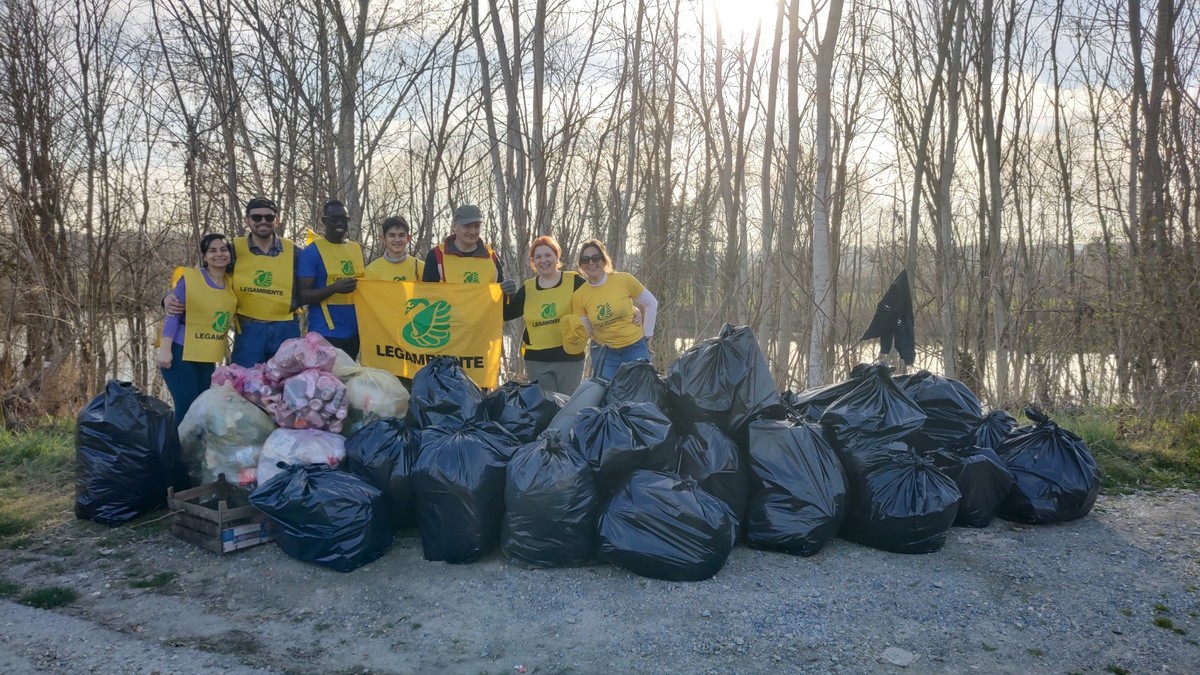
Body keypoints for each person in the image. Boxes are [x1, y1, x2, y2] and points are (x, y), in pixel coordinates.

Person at [157, 233, 237, 425]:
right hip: (180, 350)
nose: (219, 254)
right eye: (213, 250)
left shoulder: (233, 282)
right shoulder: (191, 279)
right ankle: (176, 453)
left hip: (207, 355)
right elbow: (173, 313)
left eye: (223, 249)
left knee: (202, 407)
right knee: (186, 406)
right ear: (204, 256)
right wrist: (165, 349)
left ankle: (194, 453)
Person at [502, 235, 586, 394]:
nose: (543, 260)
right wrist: (505, 295)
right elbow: (507, 314)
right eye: (538, 257)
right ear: (533, 261)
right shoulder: (528, 288)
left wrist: (634, 310)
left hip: (570, 358)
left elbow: (596, 301)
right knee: (544, 411)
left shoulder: (573, 281)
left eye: (548, 255)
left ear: (557, 256)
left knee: (568, 409)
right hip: (537, 360)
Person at [570, 238, 658, 381]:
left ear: (604, 260)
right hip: (605, 354)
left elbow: (651, 303)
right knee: (607, 396)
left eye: (595, 258)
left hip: (634, 347)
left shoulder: (623, 280)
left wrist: (647, 336)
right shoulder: (579, 296)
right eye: (585, 260)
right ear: (581, 264)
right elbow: (588, 331)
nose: (591, 263)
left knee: (641, 393)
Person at [298, 200, 365, 357]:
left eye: (344, 219)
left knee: (349, 379)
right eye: (334, 219)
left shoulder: (355, 248)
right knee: (326, 380)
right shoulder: (312, 252)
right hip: (325, 332)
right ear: (324, 221)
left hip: (354, 331)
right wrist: (334, 288)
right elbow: (302, 295)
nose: (340, 223)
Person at [422, 204, 517, 297]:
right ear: (454, 226)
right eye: (467, 226)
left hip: (484, 313)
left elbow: (500, 301)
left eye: (477, 226)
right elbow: (427, 296)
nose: (472, 231)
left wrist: (509, 293)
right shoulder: (437, 255)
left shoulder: (491, 256)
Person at [364, 216, 425, 281]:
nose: (397, 240)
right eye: (392, 235)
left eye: (401, 235)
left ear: (408, 238)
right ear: (383, 238)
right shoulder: (372, 270)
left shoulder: (420, 267)